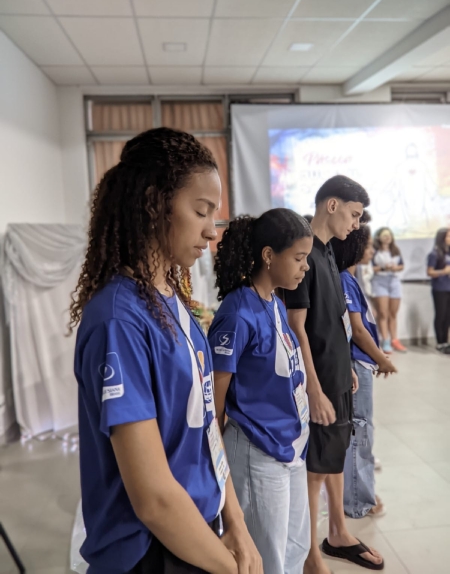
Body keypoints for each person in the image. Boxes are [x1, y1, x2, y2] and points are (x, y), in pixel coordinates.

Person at [69, 128, 262, 574]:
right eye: (201, 211)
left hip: (197, 529)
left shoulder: (172, 302)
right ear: (155, 204)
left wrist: (234, 519)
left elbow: (206, 424)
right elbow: (154, 499)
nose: (211, 230)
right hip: (151, 549)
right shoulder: (119, 320)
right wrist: (228, 566)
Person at [284, 175, 384, 573]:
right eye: (354, 214)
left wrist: (346, 366)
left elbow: (337, 319)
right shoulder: (304, 253)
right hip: (319, 381)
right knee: (315, 470)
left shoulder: (328, 252)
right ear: (332, 205)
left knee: (336, 457)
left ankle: (339, 532)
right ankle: (311, 554)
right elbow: (297, 327)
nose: (356, 224)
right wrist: (313, 388)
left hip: (337, 373)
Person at [208, 208, 313, 574]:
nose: (305, 267)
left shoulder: (274, 303)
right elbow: (214, 403)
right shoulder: (237, 314)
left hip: (291, 446)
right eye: (299, 258)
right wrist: (220, 469)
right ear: (269, 256)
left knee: (295, 548)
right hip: (258, 451)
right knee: (269, 560)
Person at [331, 217, 397, 521]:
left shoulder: (350, 278)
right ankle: (359, 500)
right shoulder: (344, 279)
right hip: (355, 361)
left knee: (361, 430)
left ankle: (360, 492)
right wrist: (381, 358)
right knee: (360, 432)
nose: (370, 250)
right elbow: (356, 330)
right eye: (367, 245)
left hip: (360, 360)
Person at [371, 227, 406, 354]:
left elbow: (401, 265)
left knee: (393, 313)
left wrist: (395, 268)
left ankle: (394, 339)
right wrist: (383, 268)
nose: (387, 237)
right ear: (379, 237)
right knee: (383, 313)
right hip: (380, 281)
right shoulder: (374, 251)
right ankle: (385, 340)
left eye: (389, 235)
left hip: (394, 281)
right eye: (384, 235)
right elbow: (369, 267)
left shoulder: (395, 250)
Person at [427, 227, 450, 354]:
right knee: (441, 315)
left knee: (448, 316)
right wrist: (443, 271)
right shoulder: (435, 253)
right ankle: (440, 342)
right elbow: (429, 272)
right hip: (440, 288)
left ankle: (446, 342)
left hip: (449, 287)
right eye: (448, 236)